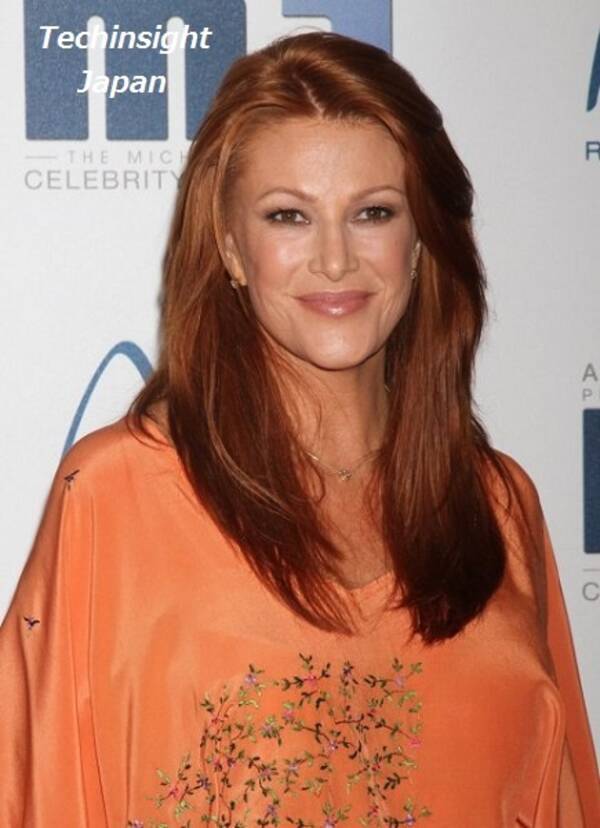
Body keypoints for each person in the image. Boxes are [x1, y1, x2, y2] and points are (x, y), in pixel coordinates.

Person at [1, 29, 598, 827]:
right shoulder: (115, 494)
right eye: (289, 216)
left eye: (373, 213)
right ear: (229, 248)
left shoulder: (498, 504)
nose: (335, 260)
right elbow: (38, 792)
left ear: (422, 242)